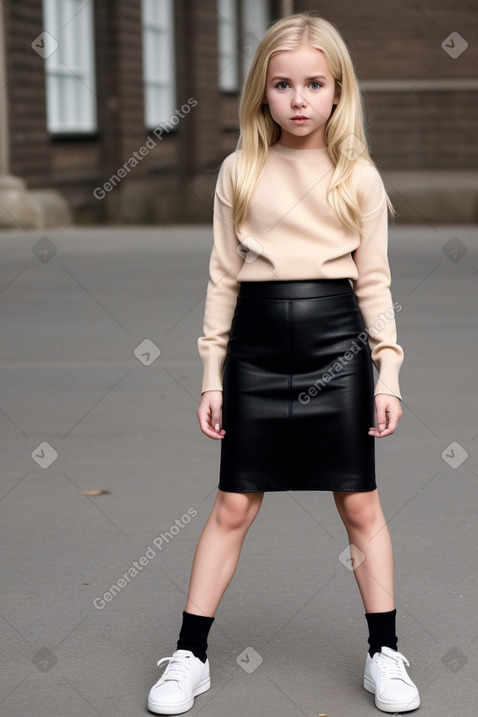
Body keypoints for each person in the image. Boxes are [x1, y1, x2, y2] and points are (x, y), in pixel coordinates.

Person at [147, 11, 420, 715]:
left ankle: (385, 652)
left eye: (314, 84)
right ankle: (190, 655)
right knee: (233, 502)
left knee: (360, 502)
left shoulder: (356, 175)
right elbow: (221, 278)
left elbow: (376, 281)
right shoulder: (240, 170)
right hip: (257, 352)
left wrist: (388, 371)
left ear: (338, 90)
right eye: (283, 85)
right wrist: (212, 372)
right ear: (262, 93)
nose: (299, 99)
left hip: (337, 346)